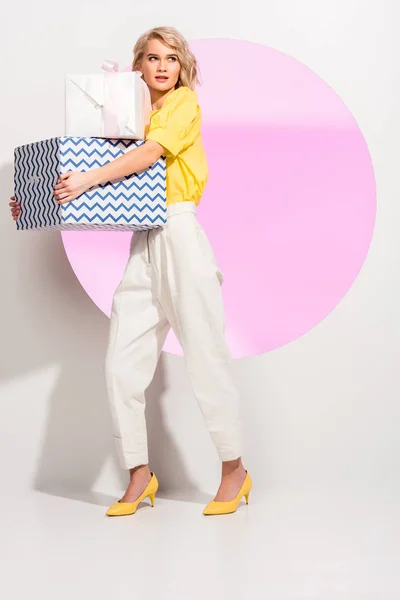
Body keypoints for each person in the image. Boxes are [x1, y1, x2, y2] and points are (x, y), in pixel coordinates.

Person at [9, 26, 252, 516]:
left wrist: (88, 178)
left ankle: (235, 471)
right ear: (138, 66)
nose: (163, 66)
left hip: (180, 235)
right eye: (152, 57)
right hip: (142, 238)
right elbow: (96, 168)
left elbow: (145, 157)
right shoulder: (129, 114)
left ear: (182, 68)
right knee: (121, 364)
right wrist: (36, 196)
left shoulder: (183, 105)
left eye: (172, 59)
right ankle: (139, 475)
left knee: (204, 354)